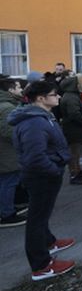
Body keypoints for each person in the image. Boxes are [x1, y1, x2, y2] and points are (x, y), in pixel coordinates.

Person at [8, 81, 75, 280]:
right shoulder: (34, 122)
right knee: (36, 219)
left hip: (44, 174)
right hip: (42, 177)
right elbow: (35, 157)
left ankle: (48, 242)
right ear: (41, 98)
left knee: (41, 215)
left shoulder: (41, 116)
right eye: (54, 94)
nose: (58, 97)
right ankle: (41, 265)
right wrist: (54, 170)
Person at [0, 76, 26, 227]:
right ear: (10, 90)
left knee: (7, 181)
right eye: (18, 87)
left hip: (5, 151)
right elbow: (9, 132)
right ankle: (7, 214)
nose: (21, 89)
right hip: (7, 152)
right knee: (8, 181)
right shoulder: (7, 108)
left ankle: (7, 208)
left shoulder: (7, 105)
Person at [59, 75, 82, 185]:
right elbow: (74, 114)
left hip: (75, 129)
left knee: (76, 153)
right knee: (73, 153)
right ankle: (74, 174)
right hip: (73, 129)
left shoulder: (72, 95)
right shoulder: (71, 97)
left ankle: (78, 170)